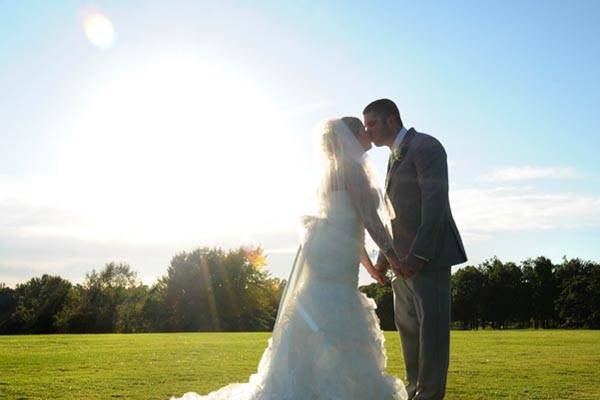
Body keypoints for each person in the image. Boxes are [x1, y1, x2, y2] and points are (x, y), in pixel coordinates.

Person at [171, 117, 408, 400]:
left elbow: (346, 228)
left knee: (322, 303)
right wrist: (394, 258)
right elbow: (369, 219)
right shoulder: (353, 170)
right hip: (337, 255)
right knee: (339, 306)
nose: (368, 133)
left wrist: (370, 266)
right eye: (363, 129)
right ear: (351, 136)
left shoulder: (327, 175)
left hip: (329, 250)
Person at [364, 99, 467, 400]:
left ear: (391, 121)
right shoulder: (392, 158)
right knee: (409, 334)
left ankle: (430, 395)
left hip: (429, 259)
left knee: (432, 336)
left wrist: (418, 256)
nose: (368, 131)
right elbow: (395, 218)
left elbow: (434, 206)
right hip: (401, 266)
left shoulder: (427, 147)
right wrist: (385, 260)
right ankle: (414, 393)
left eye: (372, 124)